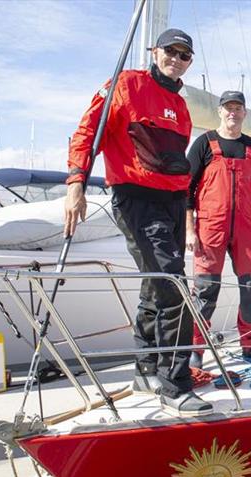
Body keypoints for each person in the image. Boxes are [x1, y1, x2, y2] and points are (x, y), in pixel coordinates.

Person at [64, 29, 211, 416]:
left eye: (185, 55)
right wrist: (76, 182)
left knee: (156, 283)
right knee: (172, 284)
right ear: (155, 51)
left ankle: (146, 367)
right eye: (171, 52)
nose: (176, 59)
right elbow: (86, 133)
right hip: (137, 198)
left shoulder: (180, 105)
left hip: (174, 203)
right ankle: (174, 385)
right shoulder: (126, 85)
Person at [186, 90, 251, 364]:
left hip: (247, 226)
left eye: (238, 108)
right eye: (228, 108)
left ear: (244, 113)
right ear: (220, 111)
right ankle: (195, 349)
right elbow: (186, 190)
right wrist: (189, 229)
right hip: (210, 226)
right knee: (205, 289)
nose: (233, 113)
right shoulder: (204, 143)